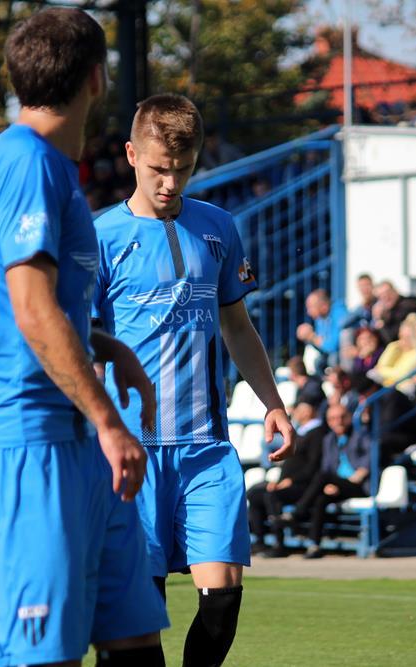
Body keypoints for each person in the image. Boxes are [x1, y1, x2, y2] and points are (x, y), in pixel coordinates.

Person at [0, 9, 168, 666]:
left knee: (135, 641)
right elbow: (29, 307)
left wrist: (108, 346)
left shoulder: (45, 164)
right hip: (26, 442)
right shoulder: (25, 163)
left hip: (74, 442)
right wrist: (109, 421)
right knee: (45, 657)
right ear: (97, 79)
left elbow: (35, 308)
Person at [93, 93, 295, 667]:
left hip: (206, 447)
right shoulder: (100, 237)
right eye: (159, 168)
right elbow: (85, 344)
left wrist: (273, 403)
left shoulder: (218, 227)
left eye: (182, 169)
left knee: (222, 597)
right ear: (132, 155)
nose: (170, 182)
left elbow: (237, 325)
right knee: (140, 613)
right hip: (133, 449)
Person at [290, 403, 370, 559]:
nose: (338, 421)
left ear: (349, 417)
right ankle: (314, 545)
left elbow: (368, 462)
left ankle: (299, 512)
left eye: (342, 417)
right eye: (333, 418)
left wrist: (354, 477)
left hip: (358, 484)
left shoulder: (361, 435)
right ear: (328, 421)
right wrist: (330, 485)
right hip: (337, 484)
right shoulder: (329, 440)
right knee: (320, 499)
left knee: (322, 477)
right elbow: (327, 467)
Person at [248, 401, 325, 557]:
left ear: (308, 411)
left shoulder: (317, 433)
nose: (295, 412)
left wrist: (291, 481)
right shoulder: (300, 431)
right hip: (285, 483)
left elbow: (313, 465)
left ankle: (279, 544)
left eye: (299, 409)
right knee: (254, 494)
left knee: (271, 496)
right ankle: (260, 541)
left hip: (302, 485)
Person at [296, 289, 349, 372]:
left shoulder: (339, 314)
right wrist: (310, 339)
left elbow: (333, 346)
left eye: (310, 307)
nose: (308, 312)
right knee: (317, 362)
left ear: (324, 306)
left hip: (343, 357)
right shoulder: (320, 319)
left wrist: (312, 337)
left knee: (332, 359)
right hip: (331, 357)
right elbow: (323, 346)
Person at [372, 280, 416, 346]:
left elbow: (392, 339)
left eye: (388, 292)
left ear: (395, 291)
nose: (386, 297)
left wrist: (380, 321)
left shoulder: (407, 306)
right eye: (381, 296)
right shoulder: (389, 310)